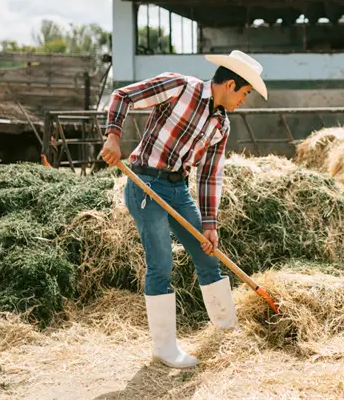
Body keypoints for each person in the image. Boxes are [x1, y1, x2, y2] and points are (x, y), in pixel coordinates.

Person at [99, 50, 268, 369]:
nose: (244, 101)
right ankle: (165, 349)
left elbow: (209, 175)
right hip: (146, 184)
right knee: (161, 265)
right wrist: (113, 137)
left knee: (208, 256)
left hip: (178, 189)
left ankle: (227, 331)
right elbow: (123, 96)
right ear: (230, 84)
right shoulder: (180, 87)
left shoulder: (221, 126)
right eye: (245, 93)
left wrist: (210, 224)